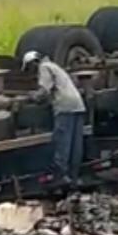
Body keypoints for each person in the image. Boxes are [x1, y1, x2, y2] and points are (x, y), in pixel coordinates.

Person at [22, 51, 86, 184]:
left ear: (34, 62)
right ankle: (74, 175)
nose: (31, 72)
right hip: (78, 105)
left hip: (64, 106)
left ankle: (61, 176)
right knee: (75, 144)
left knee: (63, 141)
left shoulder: (44, 67)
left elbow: (43, 91)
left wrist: (31, 96)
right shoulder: (54, 66)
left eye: (30, 68)